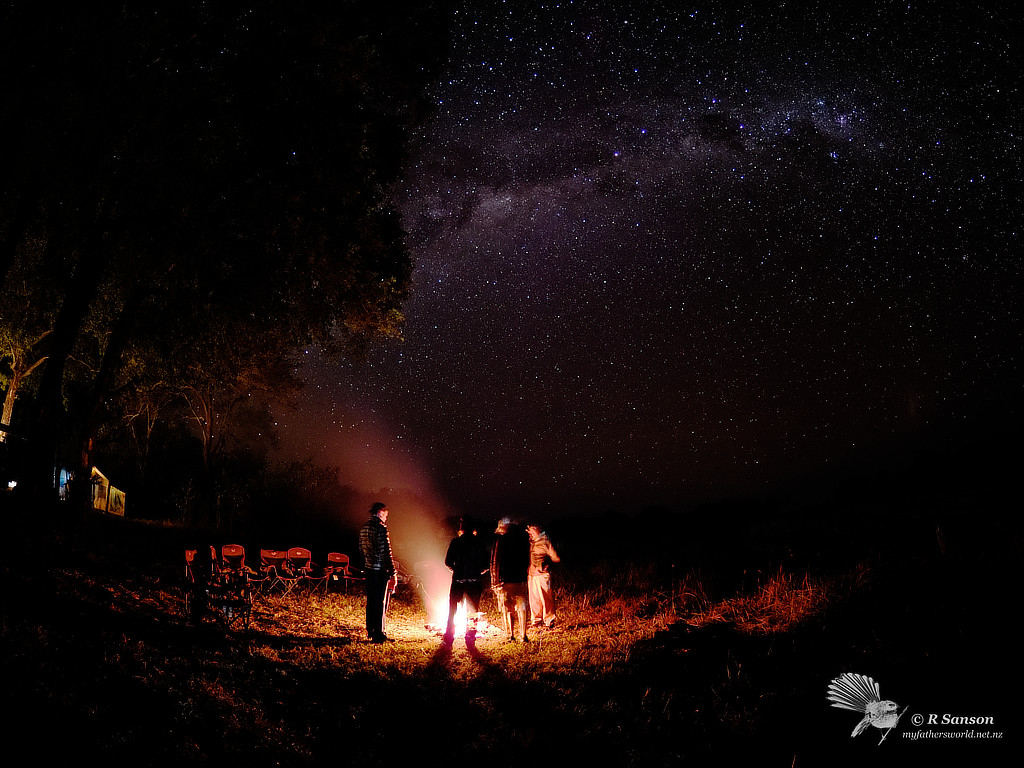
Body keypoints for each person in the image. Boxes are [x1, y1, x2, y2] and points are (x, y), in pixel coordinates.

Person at [442, 516, 488, 644]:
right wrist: (477, 572)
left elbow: (448, 562)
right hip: (474, 582)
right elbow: (486, 564)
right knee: (472, 610)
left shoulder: (455, 542)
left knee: (453, 609)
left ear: (461, 528)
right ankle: (470, 636)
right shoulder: (479, 542)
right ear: (473, 528)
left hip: (458, 581)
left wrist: (457, 571)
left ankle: (449, 635)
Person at [359, 502, 396, 643]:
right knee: (380, 602)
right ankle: (379, 633)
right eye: (385, 515)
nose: (386, 518)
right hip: (380, 570)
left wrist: (365, 565)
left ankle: (370, 630)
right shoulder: (380, 529)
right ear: (380, 512)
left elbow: (361, 550)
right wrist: (393, 572)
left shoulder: (363, 528)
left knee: (371, 601)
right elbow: (386, 552)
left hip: (369, 569)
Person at [490, 518, 531, 642]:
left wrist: (495, 581)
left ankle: (511, 635)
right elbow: (528, 559)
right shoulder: (524, 540)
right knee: (522, 607)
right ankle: (523, 636)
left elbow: (495, 562)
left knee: (508, 608)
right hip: (521, 579)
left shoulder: (500, 540)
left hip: (506, 580)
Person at [527, 524, 560, 629]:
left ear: (538, 530)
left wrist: (547, 565)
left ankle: (549, 620)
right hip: (532, 574)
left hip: (542, 575)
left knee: (546, 598)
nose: (529, 533)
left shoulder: (545, 541)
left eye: (532, 531)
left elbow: (555, 557)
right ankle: (536, 620)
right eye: (529, 531)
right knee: (534, 599)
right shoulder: (531, 542)